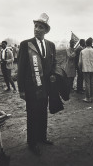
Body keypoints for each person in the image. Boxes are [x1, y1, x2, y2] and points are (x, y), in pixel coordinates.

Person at [17, 13, 56, 155]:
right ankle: (32, 142)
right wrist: (21, 89)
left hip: (45, 88)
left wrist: (53, 75)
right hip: (31, 88)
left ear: (46, 30)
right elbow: (21, 68)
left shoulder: (51, 45)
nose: (37, 29)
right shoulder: (25, 44)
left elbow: (54, 64)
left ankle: (42, 137)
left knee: (43, 113)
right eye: (35, 26)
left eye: (40, 27)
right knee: (32, 115)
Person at [78, 37, 93, 102]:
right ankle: (92, 97)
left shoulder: (82, 51)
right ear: (91, 43)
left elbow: (80, 62)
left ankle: (88, 98)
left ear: (86, 43)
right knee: (92, 83)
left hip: (85, 69)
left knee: (87, 83)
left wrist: (80, 69)